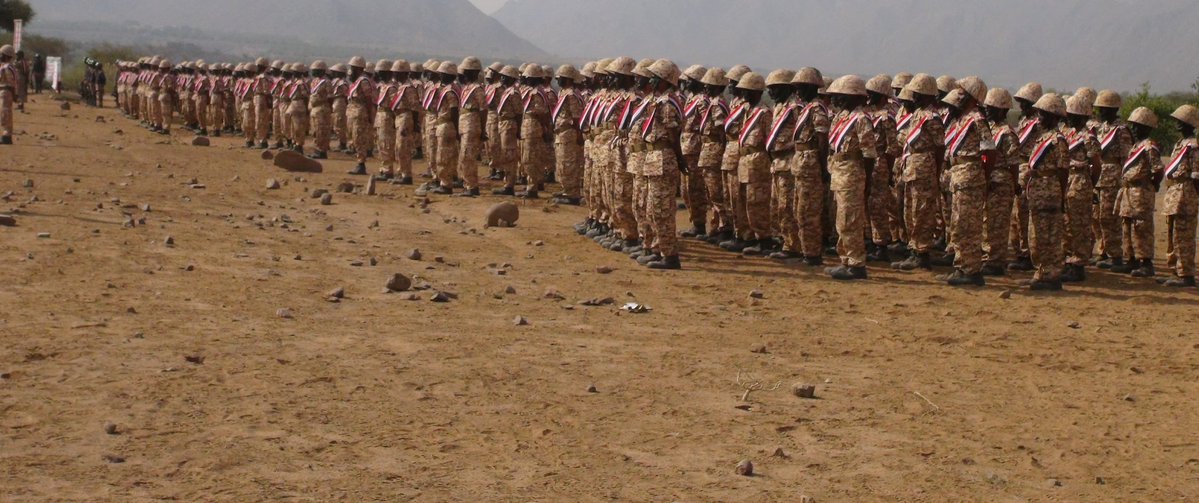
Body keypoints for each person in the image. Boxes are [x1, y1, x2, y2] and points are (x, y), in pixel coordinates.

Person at [940, 77, 994, 286]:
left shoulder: (977, 119)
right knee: (958, 223)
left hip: (970, 175)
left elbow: (989, 151)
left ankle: (971, 270)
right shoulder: (962, 119)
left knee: (968, 224)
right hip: (959, 175)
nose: (958, 96)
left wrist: (983, 177)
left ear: (972, 97)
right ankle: (961, 266)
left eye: (962, 93)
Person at [824, 75, 878, 280]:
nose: (836, 100)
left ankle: (856, 264)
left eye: (841, 96)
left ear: (854, 97)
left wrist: (867, 181)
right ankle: (845, 259)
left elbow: (869, 155)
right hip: (839, 172)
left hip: (852, 174)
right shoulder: (841, 117)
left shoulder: (861, 119)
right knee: (841, 220)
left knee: (851, 220)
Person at [891, 74, 945, 271]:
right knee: (910, 211)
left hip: (924, 168)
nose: (914, 97)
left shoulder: (932, 118)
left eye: (918, 94)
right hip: (911, 166)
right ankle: (914, 249)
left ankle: (922, 253)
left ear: (928, 95)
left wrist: (936, 172)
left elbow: (940, 147)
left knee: (922, 211)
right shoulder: (917, 115)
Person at [641, 59, 687, 270]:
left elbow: (673, 135)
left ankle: (670, 256)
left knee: (662, 210)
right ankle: (659, 250)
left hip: (663, 159)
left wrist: (680, 159)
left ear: (664, 80)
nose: (650, 81)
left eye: (654, 77)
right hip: (654, 158)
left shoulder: (668, 104)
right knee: (652, 209)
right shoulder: (658, 101)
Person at [1024, 93, 1070, 290]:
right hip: (1037, 192)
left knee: (1049, 236)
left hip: (1049, 192)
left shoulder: (1058, 140)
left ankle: (1051, 275)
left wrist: (1060, 196)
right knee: (1036, 236)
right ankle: (1041, 272)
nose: (1039, 117)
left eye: (1043, 114)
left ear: (1053, 116)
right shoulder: (1042, 138)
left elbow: (1063, 170)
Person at [1111, 107, 1163, 278]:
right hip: (1129, 190)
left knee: (1141, 227)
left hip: (1141, 191)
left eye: (1137, 126)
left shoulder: (1149, 147)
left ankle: (1146, 263)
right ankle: (1131, 259)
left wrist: (1152, 185)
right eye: (1133, 125)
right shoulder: (1136, 146)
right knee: (1127, 225)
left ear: (1146, 128)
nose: (1134, 129)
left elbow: (1158, 170)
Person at [1061, 94, 1100, 282]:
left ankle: (1078, 265)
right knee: (1067, 223)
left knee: (1080, 224)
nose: (1070, 118)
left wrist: (1089, 185)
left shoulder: (1088, 138)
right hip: (1068, 179)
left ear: (1083, 117)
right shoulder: (1067, 135)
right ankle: (1068, 260)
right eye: (1069, 115)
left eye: (1074, 115)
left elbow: (1096, 165)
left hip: (1080, 180)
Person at [1092, 90, 1133, 269]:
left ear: (1114, 109)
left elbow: (1127, 158)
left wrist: (1124, 182)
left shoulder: (1121, 130)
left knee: (1110, 217)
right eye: (1099, 108)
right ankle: (1105, 251)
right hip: (1101, 177)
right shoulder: (1102, 128)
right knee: (1099, 216)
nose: (1100, 112)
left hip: (1114, 177)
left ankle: (1115, 255)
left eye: (1104, 109)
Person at [1160, 104, 1199, 287]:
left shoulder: (1193, 147)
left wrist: (1194, 198)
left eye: (1181, 121)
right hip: (1174, 196)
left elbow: (1197, 176)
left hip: (1186, 196)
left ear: (1189, 123)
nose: (1177, 123)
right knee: (1174, 235)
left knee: (1184, 237)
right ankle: (1176, 271)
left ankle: (1186, 275)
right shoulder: (1180, 144)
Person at [981, 88, 1019, 276]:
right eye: (987, 106)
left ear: (1003, 110)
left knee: (998, 223)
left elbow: (1013, 163)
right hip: (988, 180)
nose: (988, 110)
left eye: (992, 107)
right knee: (987, 221)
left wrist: (1013, 185)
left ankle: (996, 261)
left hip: (1001, 182)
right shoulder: (989, 129)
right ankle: (988, 257)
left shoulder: (1007, 133)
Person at [551, 64, 585, 204]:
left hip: (569, 133)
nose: (558, 80)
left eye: (561, 78)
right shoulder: (563, 93)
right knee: (562, 163)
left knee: (569, 163)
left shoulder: (571, 95)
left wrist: (578, 135)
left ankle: (573, 194)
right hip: (561, 133)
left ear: (569, 79)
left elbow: (577, 118)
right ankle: (566, 189)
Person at [457, 57, 486, 197]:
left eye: (467, 71)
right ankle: (467, 184)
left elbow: (483, 109)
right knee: (464, 156)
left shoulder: (477, 89)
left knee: (468, 156)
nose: (464, 74)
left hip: (472, 125)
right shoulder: (466, 88)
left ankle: (472, 186)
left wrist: (483, 128)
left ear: (473, 73)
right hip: (464, 125)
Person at [345, 56, 375, 175]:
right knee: (354, 137)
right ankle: (359, 162)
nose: (351, 70)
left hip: (359, 112)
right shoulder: (356, 81)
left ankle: (361, 164)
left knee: (359, 138)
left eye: (353, 68)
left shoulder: (363, 81)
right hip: (353, 111)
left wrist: (369, 115)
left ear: (359, 69)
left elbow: (368, 99)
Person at [0, 45, 16, 145]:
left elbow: (12, 82)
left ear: (6, 55)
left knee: (5, 113)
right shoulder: (4, 66)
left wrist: (14, 94)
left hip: (5, 91)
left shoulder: (8, 67)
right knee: (4, 113)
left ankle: (7, 136)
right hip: (4, 91)